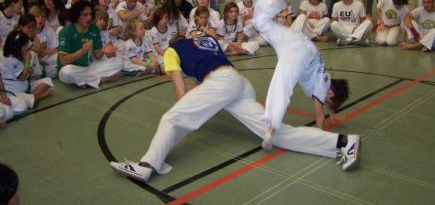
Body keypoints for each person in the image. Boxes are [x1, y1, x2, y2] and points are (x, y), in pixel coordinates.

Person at [110, 34, 361, 182]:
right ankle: (343, 143)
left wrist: (188, 110)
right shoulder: (203, 40)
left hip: (222, 83)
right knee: (279, 134)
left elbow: (180, 91)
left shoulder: (172, 52)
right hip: (239, 83)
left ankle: (147, 165)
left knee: (172, 118)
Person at [252, 0, 350, 143]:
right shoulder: (322, 89)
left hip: (300, 41)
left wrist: (332, 114)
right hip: (299, 56)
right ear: (330, 94)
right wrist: (319, 134)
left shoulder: (327, 80)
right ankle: (272, 127)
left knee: (261, 23)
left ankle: (275, 2)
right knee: (281, 86)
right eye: (328, 101)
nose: (324, 102)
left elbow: (328, 102)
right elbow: (319, 114)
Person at [58, 0, 123, 89]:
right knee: (66, 72)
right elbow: (63, 61)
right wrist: (82, 51)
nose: (89, 18)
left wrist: (104, 50)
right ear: (76, 16)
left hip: (89, 67)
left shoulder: (94, 30)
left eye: (90, 14)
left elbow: (97, 56)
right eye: (85, 15)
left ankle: (84, 80)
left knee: (118, 62)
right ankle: (103, 79)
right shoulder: (66, 31)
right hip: (72, 68)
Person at [2, 30, 53, 103]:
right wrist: (27, 62)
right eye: (24, 45)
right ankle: (39, 97)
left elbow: (29, 73)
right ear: (17, 47)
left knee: (48, 82)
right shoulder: (10, 59)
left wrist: (29, 68)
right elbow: (22, 77)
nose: (27, 47)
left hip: (25, 85)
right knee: (24, 103)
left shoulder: (21, 54)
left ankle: (31, 97)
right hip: (15, 90)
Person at [29, 6, 59, 78]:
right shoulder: (28, 31)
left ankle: (44, 72)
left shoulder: (49, 30)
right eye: (37, 17)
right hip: (33, 60)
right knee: (32, 56)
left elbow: (57, 49)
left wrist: (45, 52)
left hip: (47, 58)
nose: (40, 19)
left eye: (43, 16)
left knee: (58, 56)